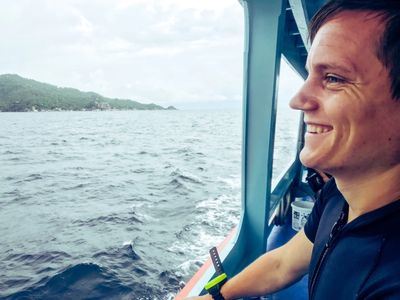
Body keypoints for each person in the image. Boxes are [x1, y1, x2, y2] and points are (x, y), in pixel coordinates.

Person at [185, 0, 400, 299]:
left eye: (334, 78)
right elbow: (283, 264)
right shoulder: (339, 195)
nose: (298, 100)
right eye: (310, 75)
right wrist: (217, 296)